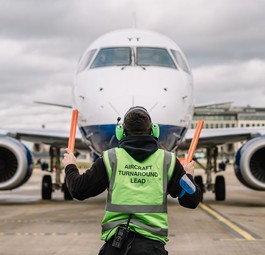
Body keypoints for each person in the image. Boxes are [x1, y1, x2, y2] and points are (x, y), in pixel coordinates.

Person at [62, 106, 201, 255]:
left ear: (121, 132)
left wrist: (70, 165)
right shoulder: (168, 161)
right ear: (154, 131)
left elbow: (77, 189)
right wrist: (188, 177)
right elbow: (192, 199)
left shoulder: (110, 159)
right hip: (151, 248)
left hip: (115, 247)